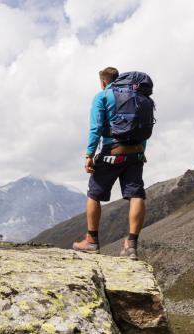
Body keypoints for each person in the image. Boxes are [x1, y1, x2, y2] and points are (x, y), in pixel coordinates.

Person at [73, 67, 147, 260]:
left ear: (103, 82)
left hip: (111, 153)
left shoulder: (102, 96)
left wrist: (89, 154)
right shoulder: (139, 97)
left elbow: (96, 127)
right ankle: (131, 245)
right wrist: (141, 152)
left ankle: (91, 241)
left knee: (94, 193)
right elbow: (142, 129)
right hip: (136, 153)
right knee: (136, 194)